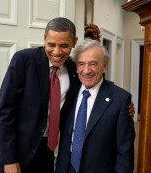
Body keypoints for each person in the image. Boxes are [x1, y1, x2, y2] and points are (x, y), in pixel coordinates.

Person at [0, 17, 81, 173]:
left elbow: (95, 85)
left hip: (46, 153)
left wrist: (125, 105)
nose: (57, 52)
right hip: (15, 152)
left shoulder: (74, 70)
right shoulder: (24, 60)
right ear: (44, 39)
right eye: (51, 44)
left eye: (64, 46)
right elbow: (5, 112)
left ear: (74, 42)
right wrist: (10, 159)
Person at [55, 41, 135, 173]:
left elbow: (124, 153)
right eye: (81, 64)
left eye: (93, 64)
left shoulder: (120, 100)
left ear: (104, 66)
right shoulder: (68, 92)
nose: (86, 71)